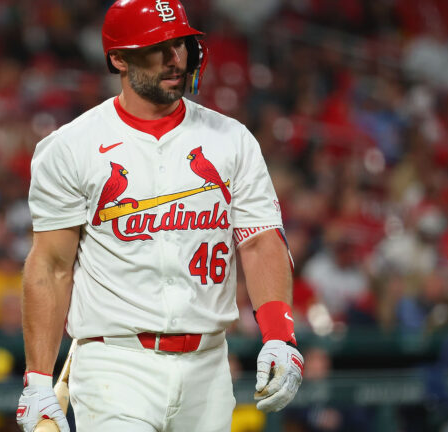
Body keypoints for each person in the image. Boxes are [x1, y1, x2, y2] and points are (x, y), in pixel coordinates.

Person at [16, 1, 304, 431]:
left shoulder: (232, 140)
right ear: (118, 58)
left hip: (208, 366)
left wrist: (279, 334)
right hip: (116, 364)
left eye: (181, 44)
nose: (176, 60)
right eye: (157, 48)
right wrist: (38, 380)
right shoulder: (71, 147)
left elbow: (260, 239)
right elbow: (51, 266)